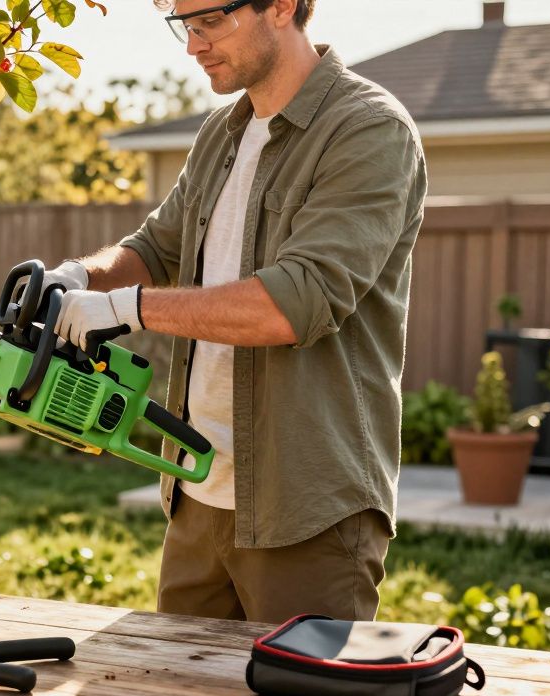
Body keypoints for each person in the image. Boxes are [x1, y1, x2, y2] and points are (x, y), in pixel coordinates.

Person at [42, 0, 427, 623]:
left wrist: (123, 307)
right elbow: (155, 246)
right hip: (196, 493)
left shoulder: (367, 129)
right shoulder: (221, 132)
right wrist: (79, 276)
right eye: (185, 26)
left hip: (305, 508)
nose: (193, 46)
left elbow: (297, 302)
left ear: (280, 6)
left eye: (210, 22)